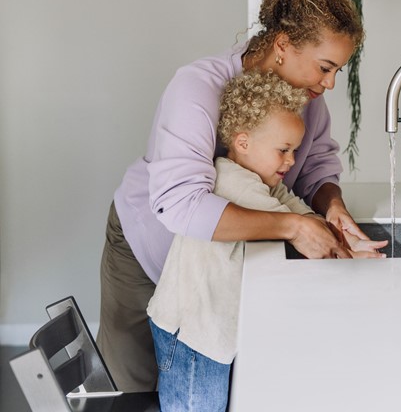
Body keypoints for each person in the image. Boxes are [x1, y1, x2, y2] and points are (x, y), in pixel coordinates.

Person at [98, 0, 375, 392]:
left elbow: (317, 167)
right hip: (150, 250)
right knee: (132, 391)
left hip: (218, 270)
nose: (330, 84)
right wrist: (294, 226)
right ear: (283, 45)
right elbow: (181, 205)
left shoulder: (307, 103)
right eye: (325, 67)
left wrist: (332, 207)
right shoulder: (198, 88)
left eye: (338, 70)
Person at [147, 71, 386, 411]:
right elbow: (305, 237)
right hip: (192, 335)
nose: (291, 161)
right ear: (243, 143)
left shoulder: (264, 183)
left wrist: (343, 238)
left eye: (294, 150)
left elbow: (306, 220)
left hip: (210, 329)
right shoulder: (236, 185)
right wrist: (348, 254)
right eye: (283, 150)